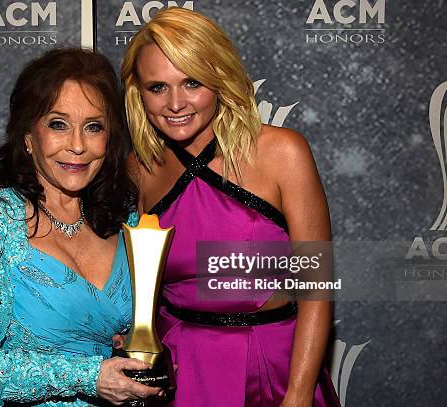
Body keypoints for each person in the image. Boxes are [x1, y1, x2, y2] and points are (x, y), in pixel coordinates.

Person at [119, 7, 341, 407]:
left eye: (192, 82)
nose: (175, 103)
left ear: (220, 78)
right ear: (138, 92)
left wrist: (299, 392)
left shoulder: (281, 152)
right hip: (181, 368)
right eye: (157, 87)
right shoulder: (140, 169)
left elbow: (316, 287)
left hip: (274, 362)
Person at [0, 48, 162, 406]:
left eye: (93, 127)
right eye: (58, 124)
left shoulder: (124, 221)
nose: (77, 145)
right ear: (28, 136)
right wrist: (88, 376)